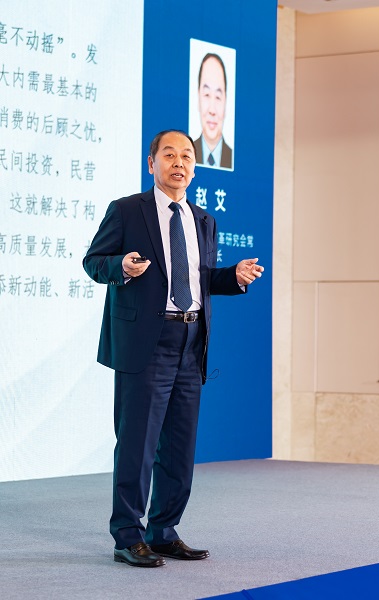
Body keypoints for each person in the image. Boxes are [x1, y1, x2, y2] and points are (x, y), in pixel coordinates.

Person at [83, 129, 263, 568]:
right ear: (152, 164)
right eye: (169, 154)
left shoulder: (203, 220)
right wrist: (121, 266)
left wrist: (233, 277)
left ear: (194, 169)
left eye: (186, 156)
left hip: (191, 341)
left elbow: (199, 279)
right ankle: (127, 536)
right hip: (147, 342)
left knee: (180, 448)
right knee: (138, 445)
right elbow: (94, 262)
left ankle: (163, 531)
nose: (179, 162)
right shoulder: (127, 210)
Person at [193, 53, 233, 169]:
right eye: (206, 94)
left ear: (226, 102)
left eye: (218, 97)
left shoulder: (232, 156)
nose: (212, 110)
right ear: (198, 98)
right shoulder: (187, 156)